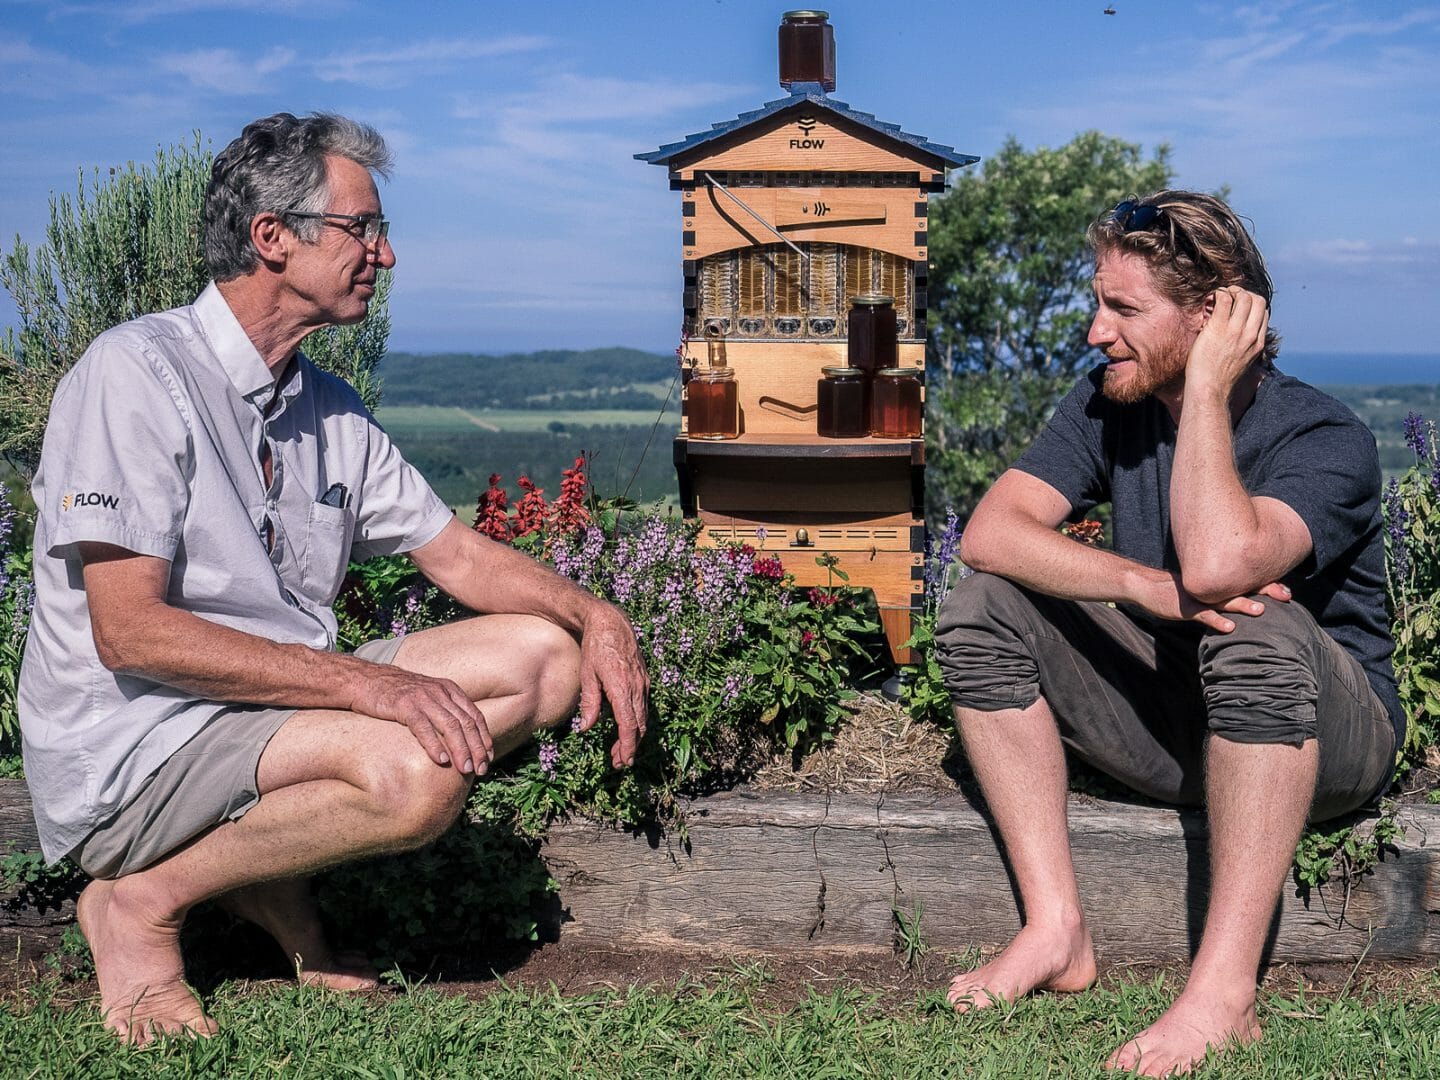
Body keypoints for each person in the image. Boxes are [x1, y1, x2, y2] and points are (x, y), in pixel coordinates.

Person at [17, 112, 649, 1045]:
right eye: (364, 228)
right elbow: (132, 635)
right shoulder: (135, 376)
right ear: (272, 238)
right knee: (415, 774)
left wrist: (596, 612)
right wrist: (375, 686)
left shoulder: (325, 407)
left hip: (266, 717)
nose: (384, 256)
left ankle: (259, 871)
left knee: (544, 659)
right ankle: (139, 901)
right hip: (140, 747)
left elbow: (459, 554)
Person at [935, 190, 1401, 1076]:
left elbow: (1224, 567)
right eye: (1097, 302)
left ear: (1218, 310)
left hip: (1323, 738)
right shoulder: (1111, 401)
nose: (1094, 332)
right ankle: (1055, 932)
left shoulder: (1326, 437)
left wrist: (1208, 396)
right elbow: (990, 534)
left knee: (1255, 625)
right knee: (981, 609)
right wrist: (1142, 585)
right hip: (1176, 718)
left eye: (1124, 309)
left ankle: (1224, 995)